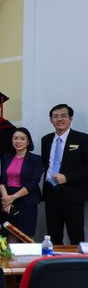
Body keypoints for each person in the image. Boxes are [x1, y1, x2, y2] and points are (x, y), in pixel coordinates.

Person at [41, 104, 88, 244]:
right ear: (51, 120)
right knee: (53, 235)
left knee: (76, 235)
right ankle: (54, 259)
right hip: (51, 192)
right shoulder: (46, 139)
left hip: (73, 194)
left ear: (70, 119)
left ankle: (79, 259)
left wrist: (67, 178)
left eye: (63, 116)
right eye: (55, 116)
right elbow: (46, 164)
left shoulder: (83, 139)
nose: (59, 119)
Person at [0, 127, 43, 239]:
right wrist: (6, 198)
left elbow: (33, 183)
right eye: (15, 138)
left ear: (28, 142)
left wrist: (13, 197)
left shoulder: (36, 159)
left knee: (25, 237)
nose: (18, 141)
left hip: (26, 201)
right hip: (7, 200)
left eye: (22, 139)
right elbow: (1, 180)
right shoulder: (6, 157)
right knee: (9, 235)